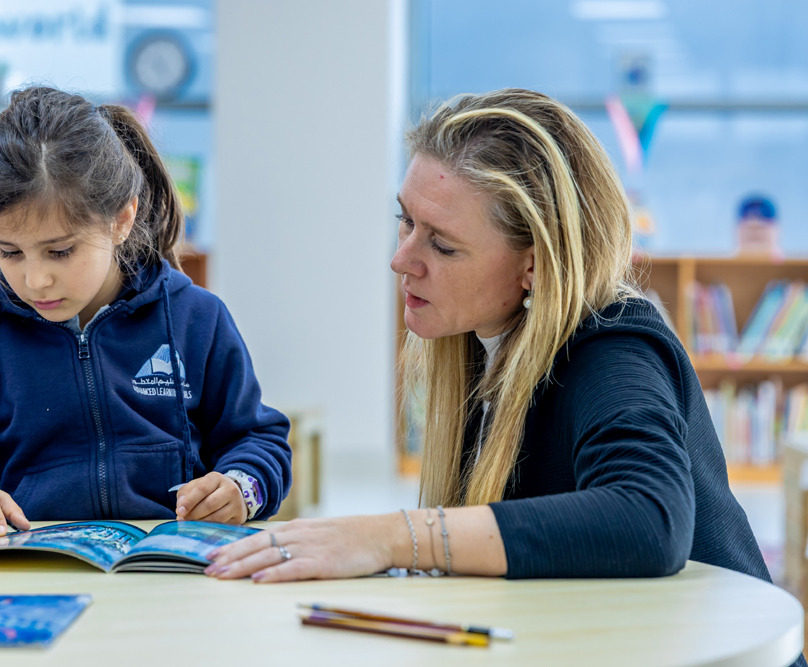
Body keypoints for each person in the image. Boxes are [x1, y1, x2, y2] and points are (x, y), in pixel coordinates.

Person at [206, 88, 777, 588]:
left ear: (535, 266)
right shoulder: (484, 339)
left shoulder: (613, 349)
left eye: (443, 245)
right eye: (405, 220)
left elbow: (650, 519)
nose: (401, 260)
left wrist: (389, 536)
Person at [0, 86, 292, 537]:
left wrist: (242, 487)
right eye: (10, 252)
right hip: (24, 574)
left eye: (60, 251)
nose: (35, 280)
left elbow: (258, 442)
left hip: (167, 568)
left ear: (122, 220)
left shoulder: (198, 319)